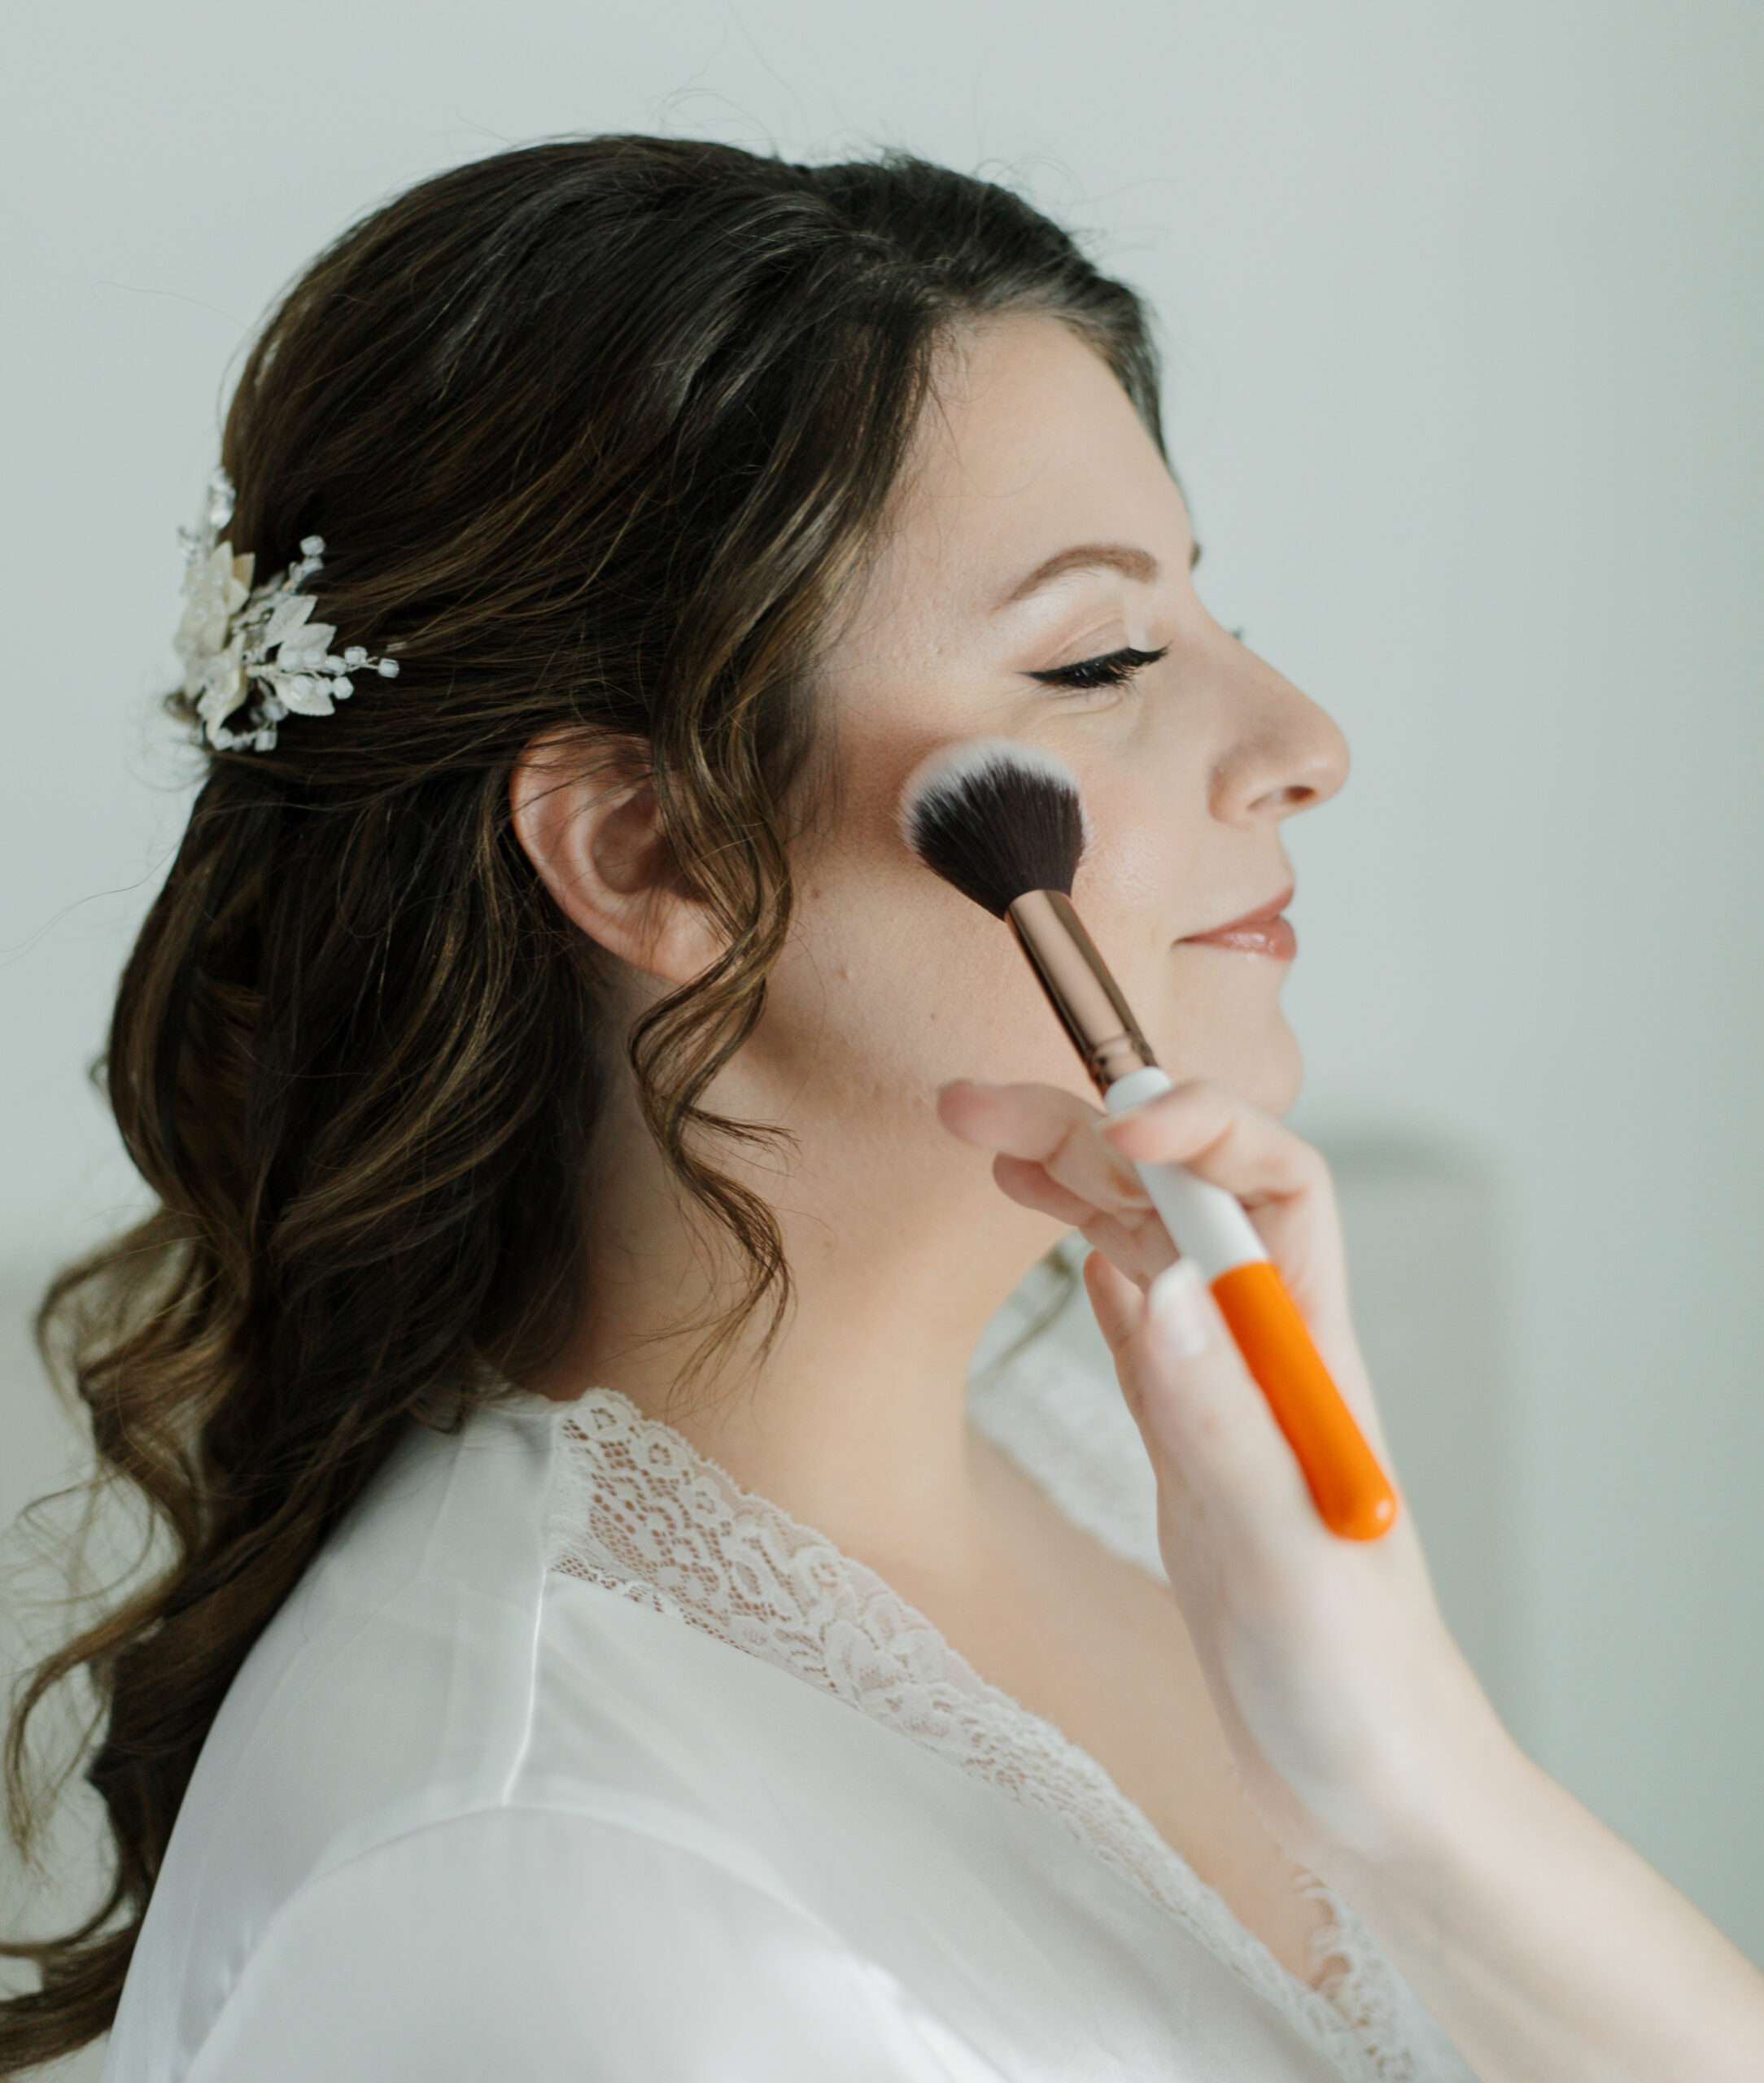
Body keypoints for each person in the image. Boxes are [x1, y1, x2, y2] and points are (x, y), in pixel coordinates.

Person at [2, 135, 1760, 2083]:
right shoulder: (544, 1889)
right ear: (650, 844)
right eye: (1100, 655)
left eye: (1206, 607)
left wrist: (1421, 1774)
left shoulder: (1095, 1439)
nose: (1302, 741)